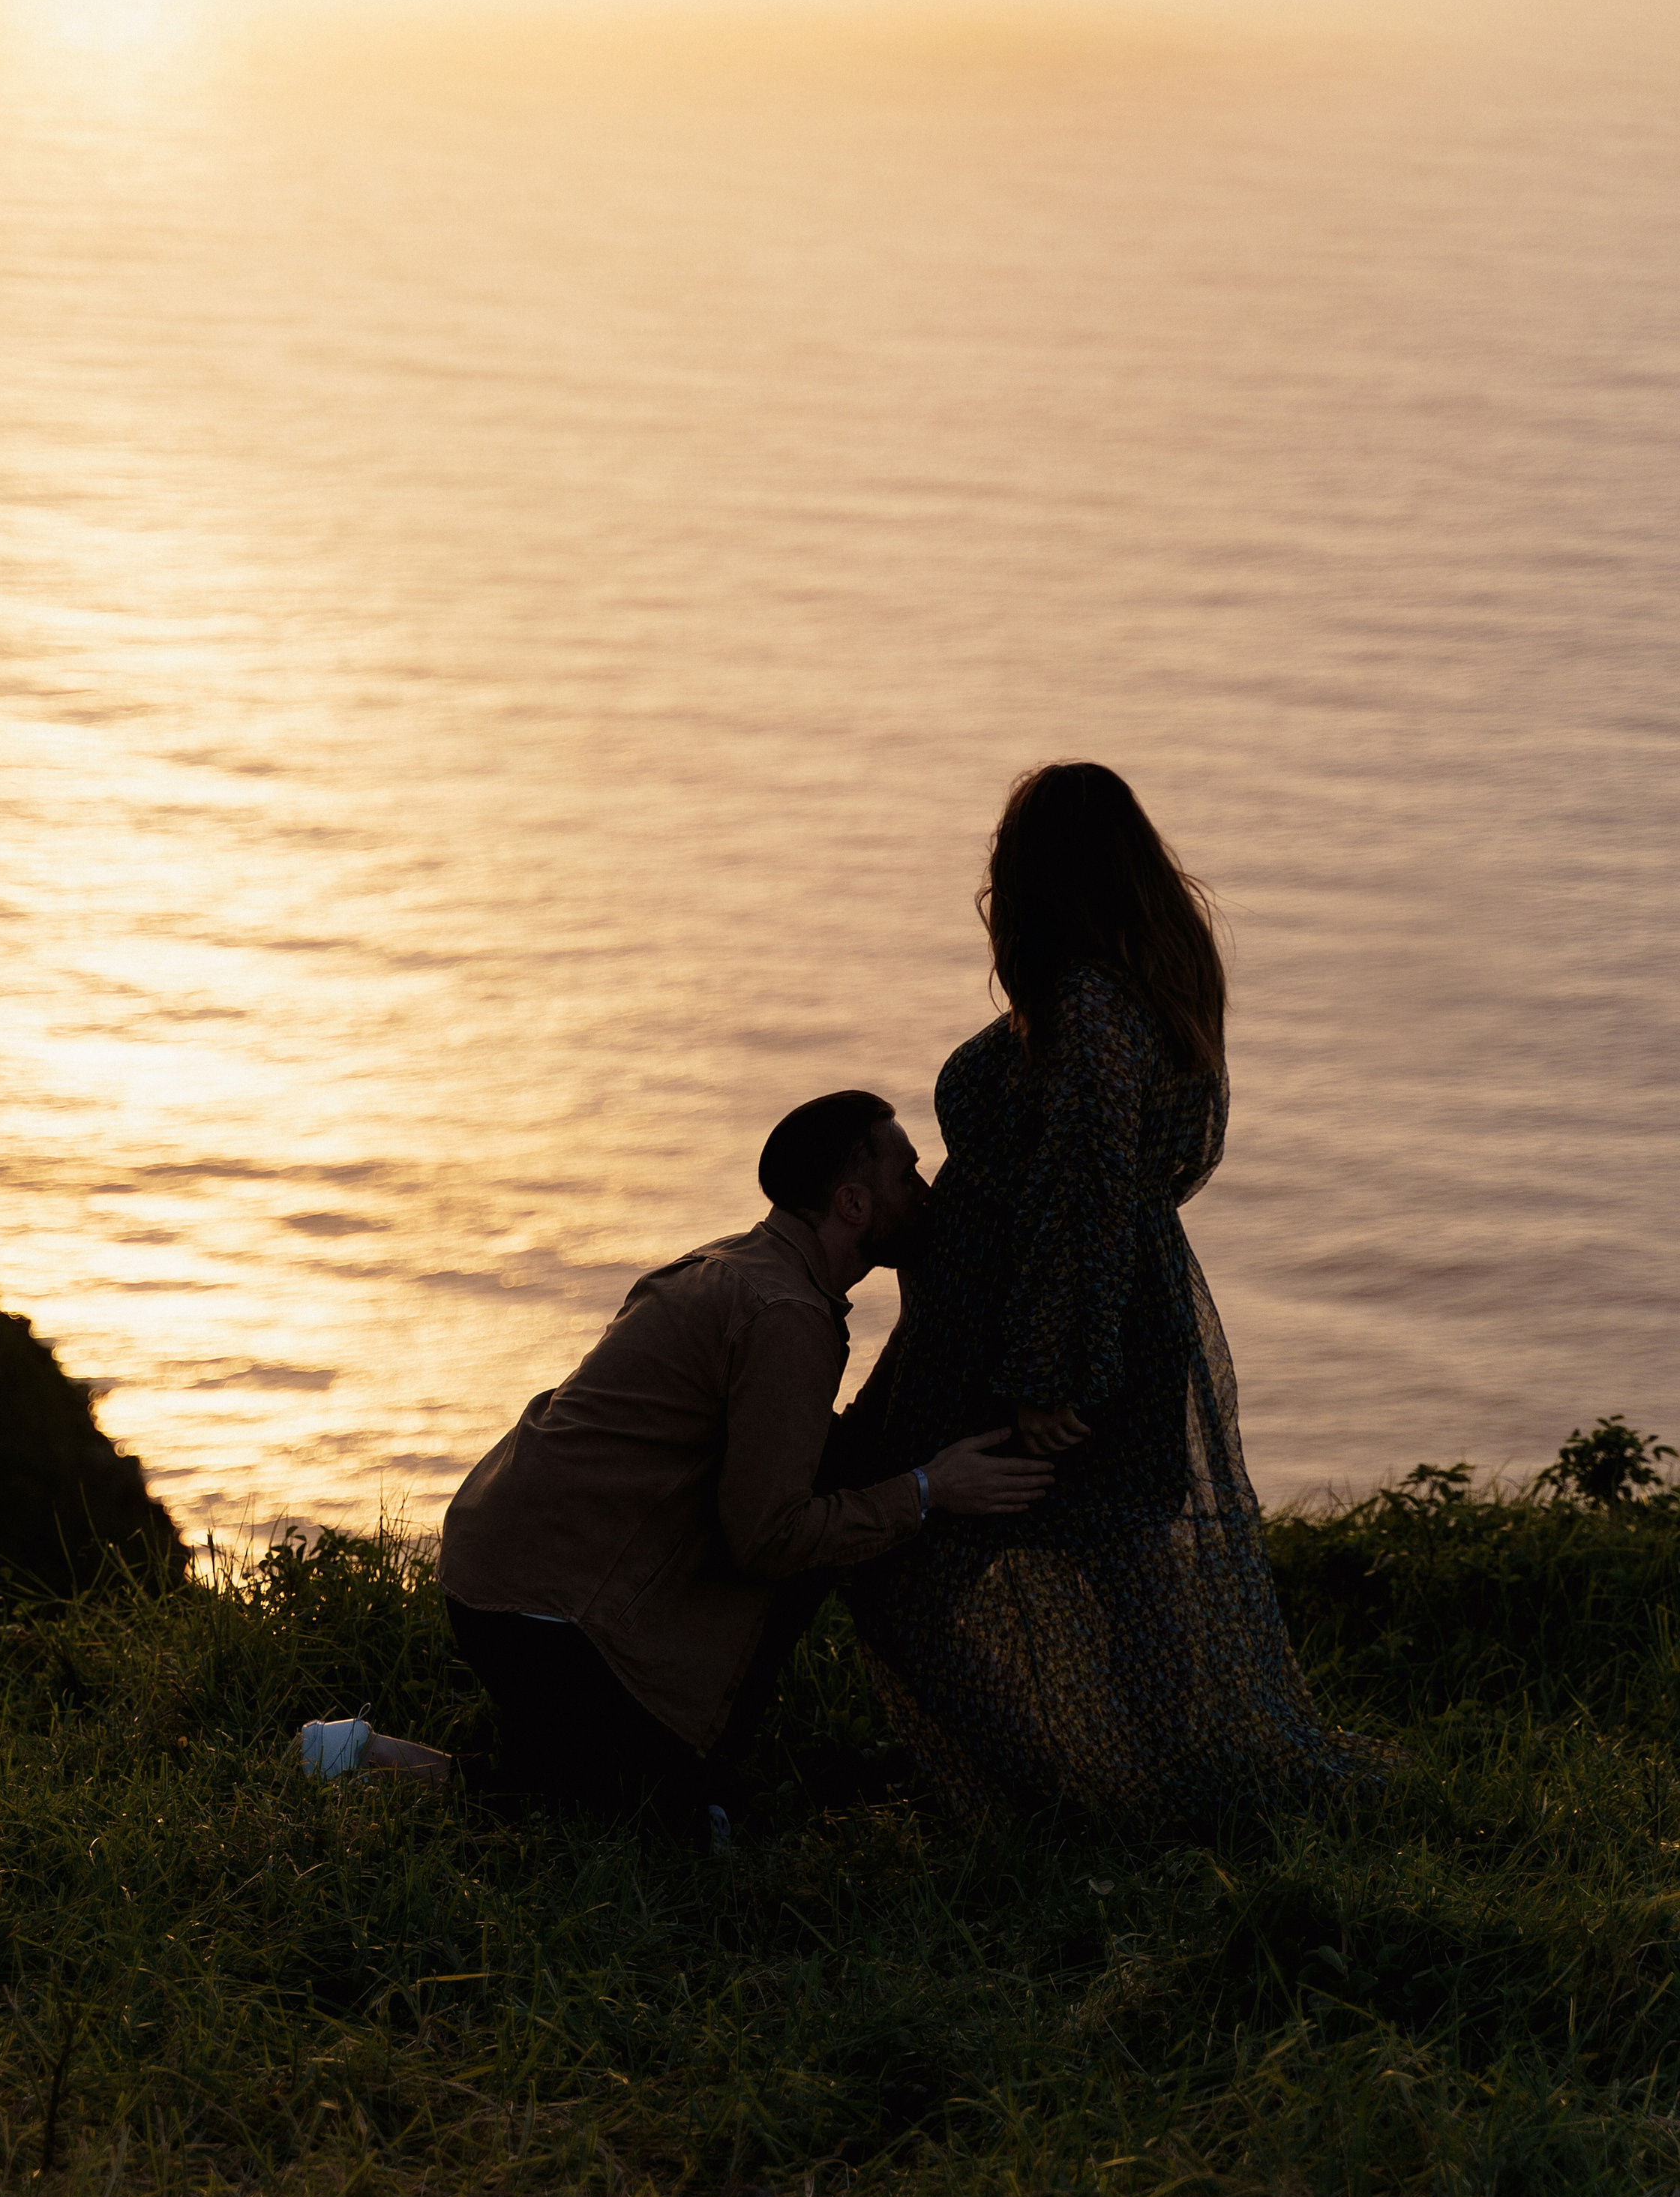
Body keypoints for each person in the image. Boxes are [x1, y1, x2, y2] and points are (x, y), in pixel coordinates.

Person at [843, 762, 1364, 1828]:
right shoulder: (1141, 990)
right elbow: (1132, 1182)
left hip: (1047, 1347)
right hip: (1106, 1318)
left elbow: (1088, 1189)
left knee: (912, 1586)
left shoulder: (1088, 1011)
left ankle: (1061, 1804)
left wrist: (1046, 1374)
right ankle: (1153, 1802)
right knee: (1127, 1586)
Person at [430, 1091, 1060, 1835]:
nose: (927, 1197)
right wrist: (930, 1490)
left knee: (618, 1795)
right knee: (684, 1831)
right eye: (908, 1178)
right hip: (548, 1615)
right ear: (853, 1203)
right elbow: (767, 1536)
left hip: (498, 1574)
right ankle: (367, 1757)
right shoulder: (786, 1315)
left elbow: (813, 1459)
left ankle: (489, 1757)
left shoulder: (743, 1266)